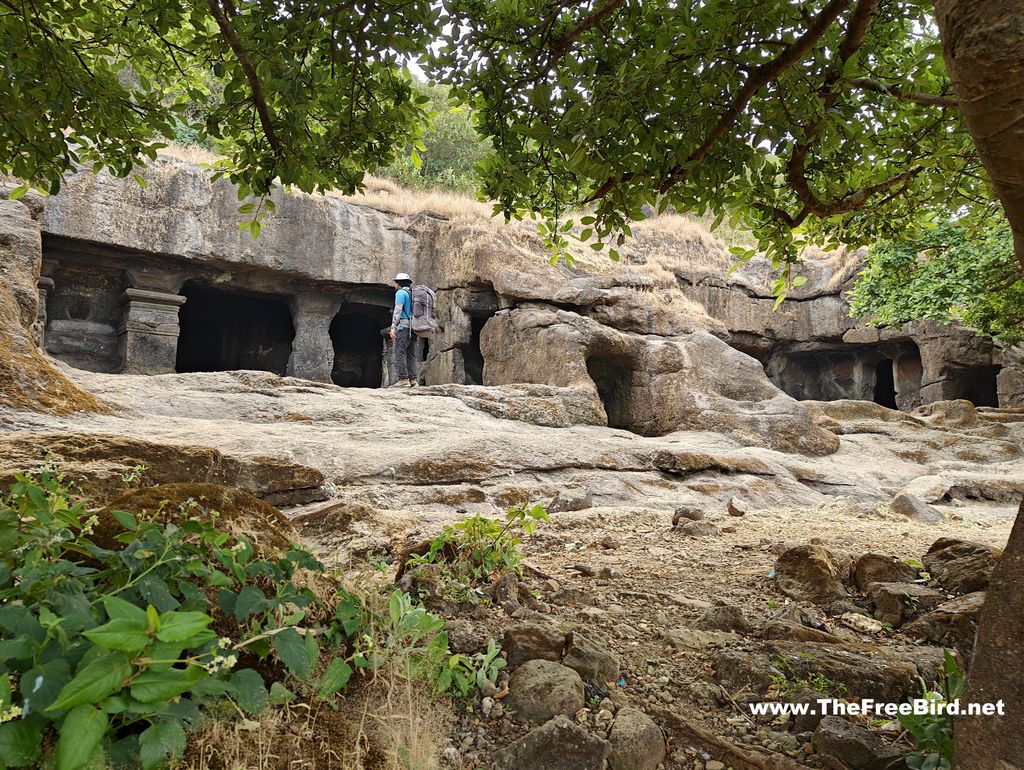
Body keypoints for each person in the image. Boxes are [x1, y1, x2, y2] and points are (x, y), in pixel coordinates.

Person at [389, 272, 417, 387]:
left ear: (398, 283)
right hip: (414, 327)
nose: (394, 284)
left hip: (404, 327)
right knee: (411, 354)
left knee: (400, 352)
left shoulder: (400, 293)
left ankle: (403, 379)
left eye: (395, 282)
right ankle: (413, 380)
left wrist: (393, 327)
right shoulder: (412, 293)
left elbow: (398, 311)